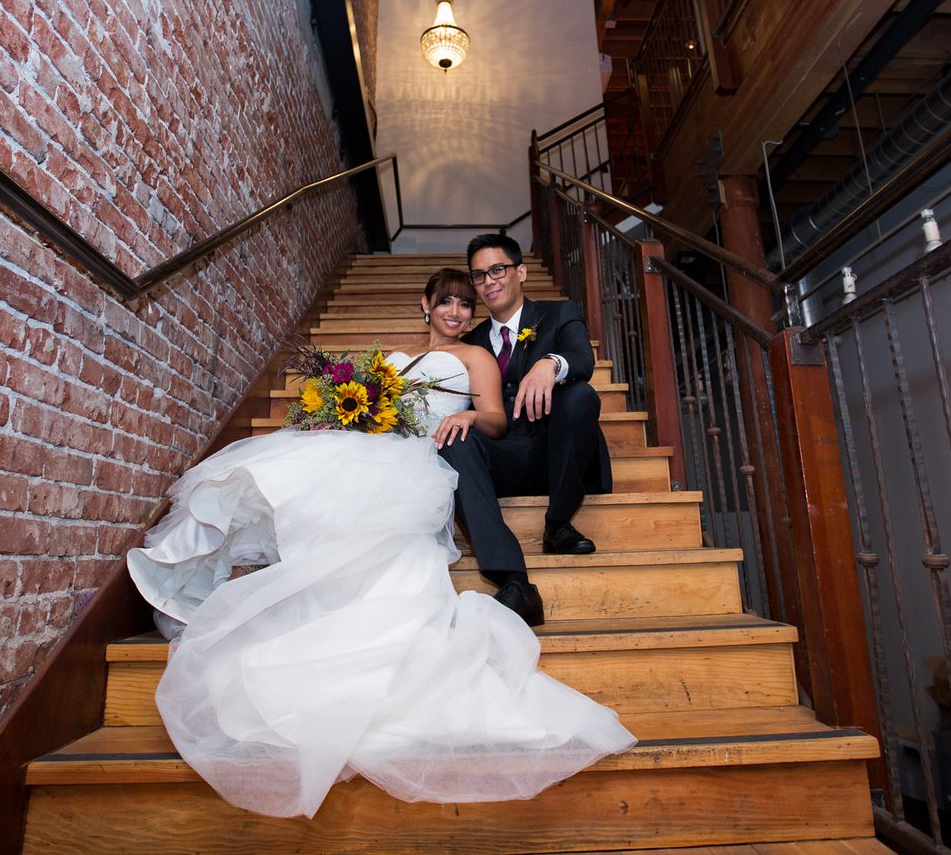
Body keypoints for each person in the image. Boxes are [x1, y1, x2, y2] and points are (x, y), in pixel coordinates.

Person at [126, 268, 635, 819]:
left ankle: (305, 597)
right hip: (372, 445)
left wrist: (466, 413)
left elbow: (494, 419)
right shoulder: (392, 359)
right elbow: (363, 408)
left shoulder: (475, 357)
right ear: (425, 305)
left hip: (421, 453)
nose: (456, 312)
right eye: (446, 302)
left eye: (465, 304)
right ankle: (259, 575)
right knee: (285, 471)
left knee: (373, 515)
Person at [434, 234, 613, 628]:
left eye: (497, 270)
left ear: (521, 272)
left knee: (580, 395)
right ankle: (514, 581)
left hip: (557, 450)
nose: (488, 281)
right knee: (455, 438)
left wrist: (550, 363)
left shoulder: (558, 313)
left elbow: (582, 359)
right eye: (479, 275)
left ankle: (558, 524)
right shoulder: (471, 342)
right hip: (504, 457)